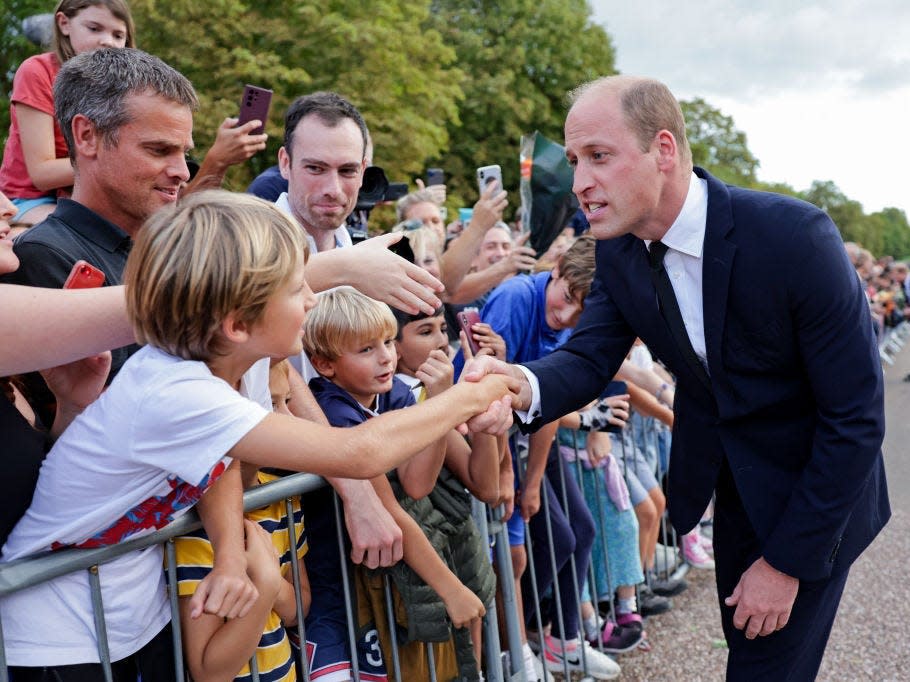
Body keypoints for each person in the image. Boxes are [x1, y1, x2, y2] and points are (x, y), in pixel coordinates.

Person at [463, 75, 889, 681]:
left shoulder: (795, 237)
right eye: (576, 158)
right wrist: (515, 386)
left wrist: (788, 563)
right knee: (751, 654)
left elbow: (855, 418)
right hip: (736, 492)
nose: (581, 181)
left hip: (819, 494)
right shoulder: (614, 249)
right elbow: (588, 359)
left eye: (599, 157)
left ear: (663, 150)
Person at [0, 190, 514, 675]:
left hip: (126, 613)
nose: (312, 300)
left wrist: (228, 553)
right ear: (237, 324)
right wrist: (468, 396)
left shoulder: (230, 364)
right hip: (57, 630)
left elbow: (219, 458)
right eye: (296, 289)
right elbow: (357, 452)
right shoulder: (174, 389)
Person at [300, 286, 491, 680]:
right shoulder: (332, 408)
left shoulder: (395, 393)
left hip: (380, 571)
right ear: (325, 364)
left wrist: (439, 403)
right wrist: (449, 588)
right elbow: (386, 506)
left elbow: (416, 483)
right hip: (332, 576)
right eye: (366, 349)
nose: (386, 356)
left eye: (387, 342)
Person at [173, 360, 310, 682]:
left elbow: (300, 608)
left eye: (287, 401)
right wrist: (265, 584)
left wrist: (271, 584)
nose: (290, 420)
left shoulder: (283, 497)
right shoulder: (195, 525)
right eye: (273, 404)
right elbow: (209, 672)